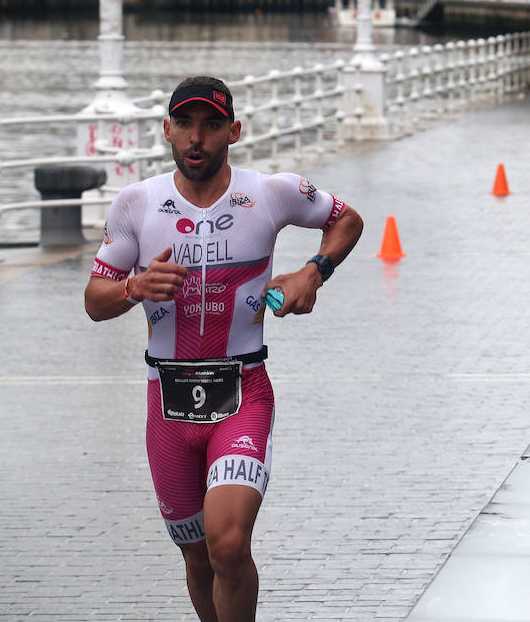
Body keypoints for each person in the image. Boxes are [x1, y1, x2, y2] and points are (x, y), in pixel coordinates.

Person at [84, 77, 364, 622]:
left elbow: (346, 220)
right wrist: (133, 287)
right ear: (166, 130)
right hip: (165, 404)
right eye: (185, 123)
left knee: (228, 545)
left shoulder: (270, 192)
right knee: (197, 557)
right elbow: (95, 302)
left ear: (234, 131)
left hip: (243, 395)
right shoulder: (136, 203)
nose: (197, 137)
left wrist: (314, 271)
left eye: (212, 125)